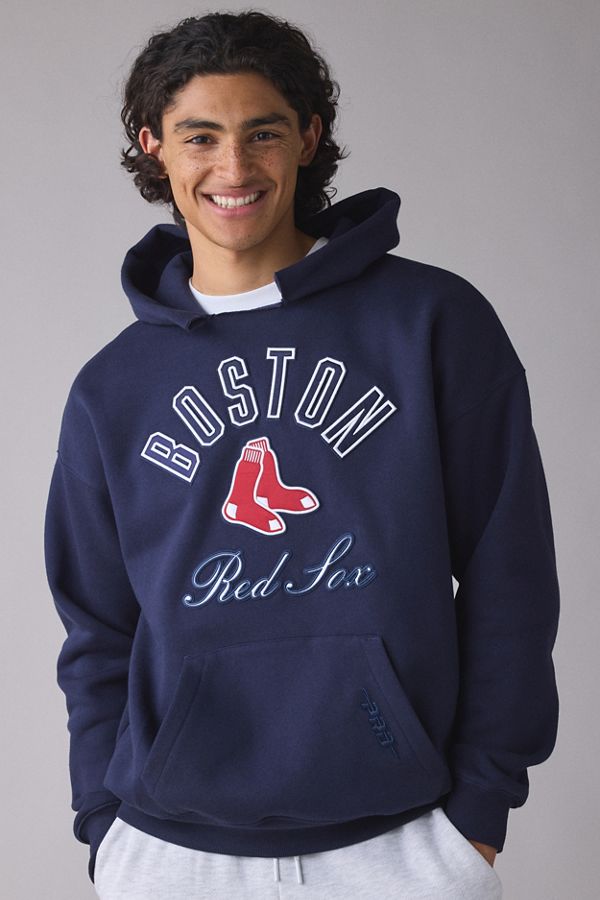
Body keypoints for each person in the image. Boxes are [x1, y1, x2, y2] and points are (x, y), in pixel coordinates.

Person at [43, 10, 560, 899]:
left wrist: (480, 808)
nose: (233, 168)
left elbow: (509, 572)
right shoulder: (112, 389)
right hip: (173, 857)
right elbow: (96, 628)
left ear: (308, 139)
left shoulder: (431, 325)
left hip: (402, 847)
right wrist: (105, 826)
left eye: (263, 133)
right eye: (200, 137)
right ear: (154, 146)